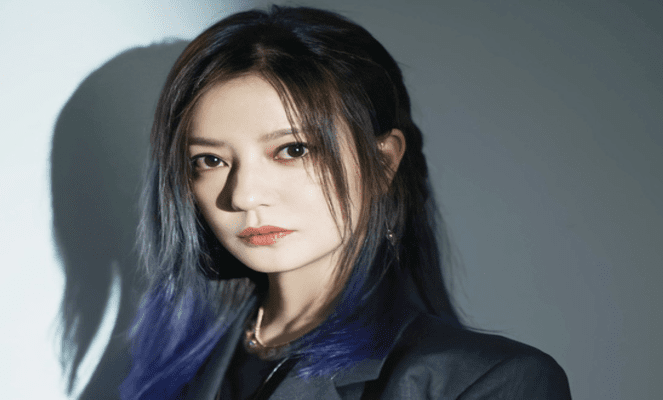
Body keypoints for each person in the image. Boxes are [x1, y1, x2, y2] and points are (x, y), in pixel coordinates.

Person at [117, 5, 571, 399]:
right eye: (211, 160)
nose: (244, 195)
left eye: (293, 150)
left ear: (383, 162)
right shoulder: (170, 369)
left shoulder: (482, 382)